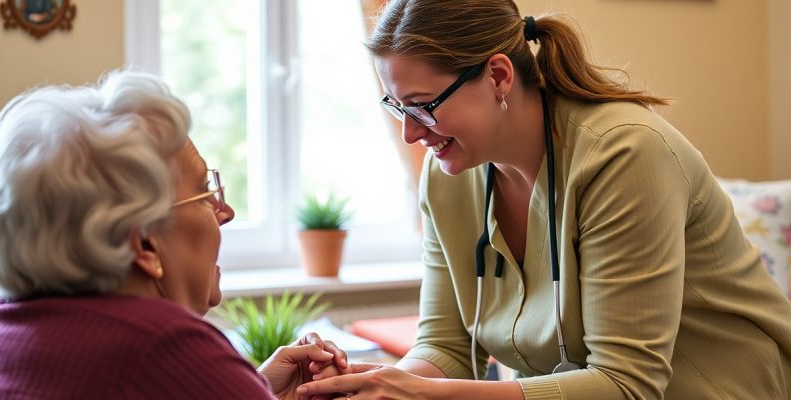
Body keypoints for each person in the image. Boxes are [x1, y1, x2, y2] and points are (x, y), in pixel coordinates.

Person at [296, 1, 791, 399]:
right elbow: (446, 347)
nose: (409, 133)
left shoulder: (624, 153)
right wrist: (378, 386)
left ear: (497, 76)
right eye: (396, 106)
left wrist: (418, 393)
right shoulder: (449, 174)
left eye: (422, 106)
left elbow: (628, 384)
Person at [0, 71, 349, 399]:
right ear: (144, 243)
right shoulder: (166, 346)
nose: (225, 212)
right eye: (204, 192)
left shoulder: (3, 327)